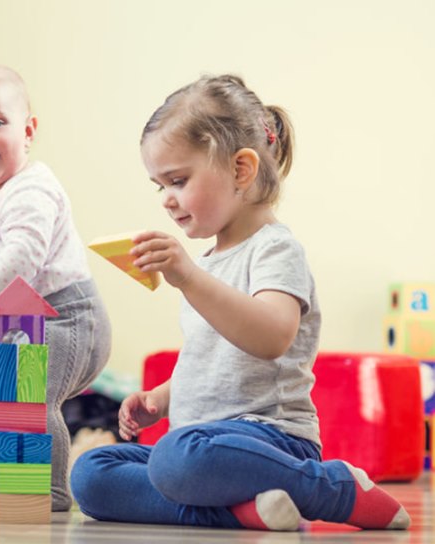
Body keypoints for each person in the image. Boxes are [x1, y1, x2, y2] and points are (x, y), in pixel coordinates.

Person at [69, 74, 410, 531]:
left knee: (175, 460)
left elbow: (271, 337)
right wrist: (161, 399)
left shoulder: (274, 249)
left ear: (240, 170)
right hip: (202, 442)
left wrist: (188, 276)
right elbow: (210, 356)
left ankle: (329, 487)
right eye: (159, 186)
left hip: (271, 441)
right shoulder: (207, 263)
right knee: (91, 474)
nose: (167, 201)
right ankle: (244, 513)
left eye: (178, 180)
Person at [0, 63, 112, 511]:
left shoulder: (32, 188)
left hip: (69, 316)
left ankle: (49, 491)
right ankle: (14, 485)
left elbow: (23, 255)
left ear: (27, 131)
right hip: (19, 317)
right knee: (6, 403)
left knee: (34, 399)